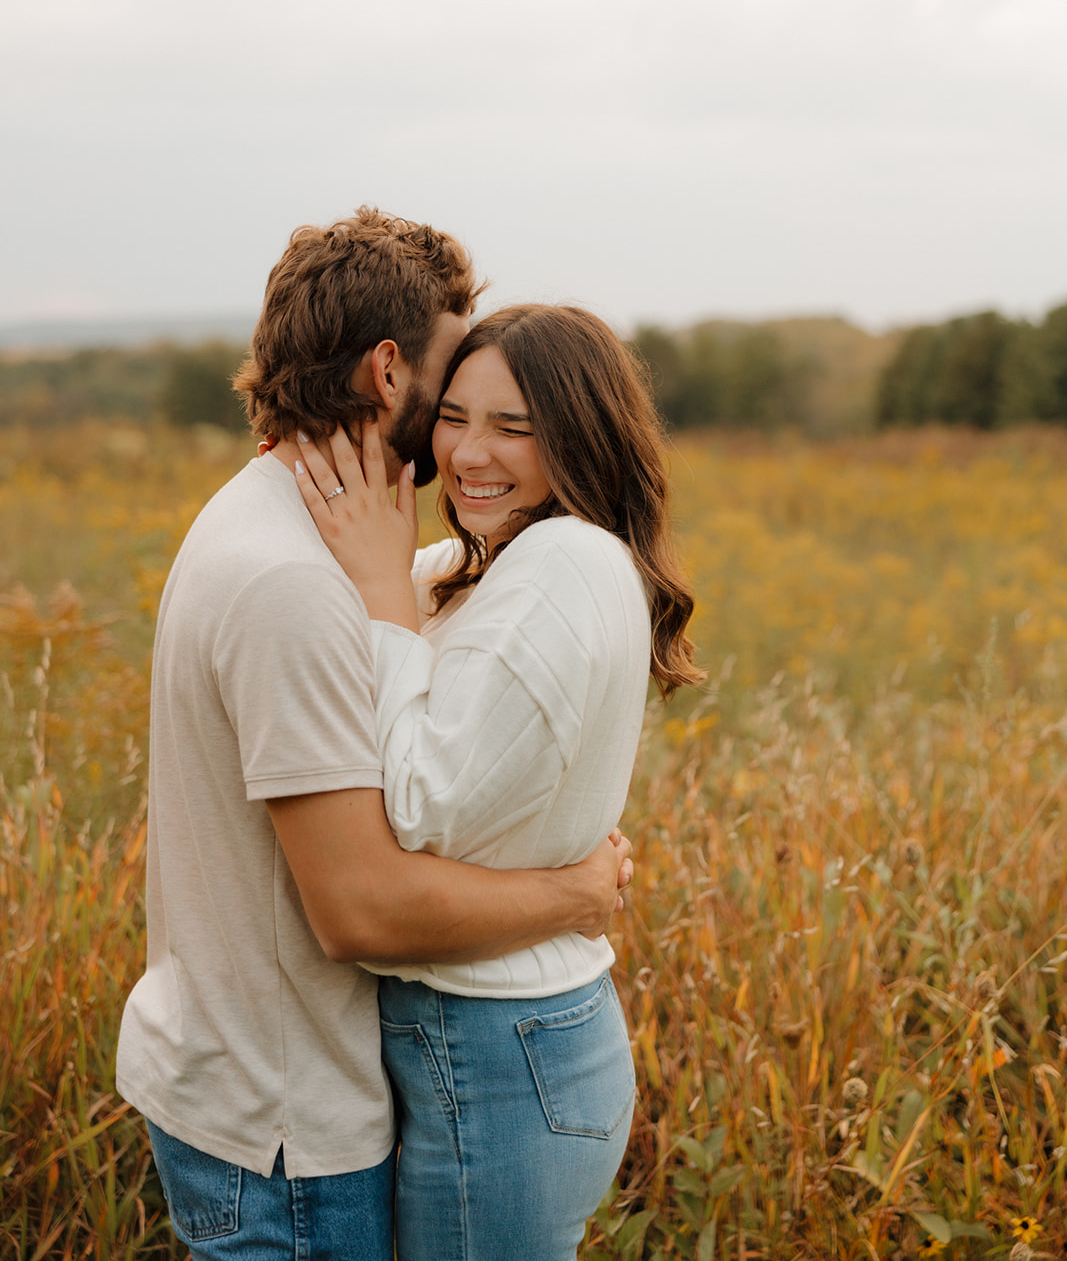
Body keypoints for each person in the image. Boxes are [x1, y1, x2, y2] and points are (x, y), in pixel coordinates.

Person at [116, 212, 633, 1261]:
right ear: (388, 372)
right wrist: (575, 893)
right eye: (448, 395)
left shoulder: (269, 520)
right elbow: (361, 909)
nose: (461, 437)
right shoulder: (295, 584)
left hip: (264, 1089)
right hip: (286, 1127)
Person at [295, 302, 704, 1261]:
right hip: (502, 1040)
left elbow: (417, 808)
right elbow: (367, 573)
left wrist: (384, 597)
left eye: (514, 427)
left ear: (581, 434)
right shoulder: (495, 561)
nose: (471, 453)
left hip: (493, 1045)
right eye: (455, 417)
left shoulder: (561, 561)